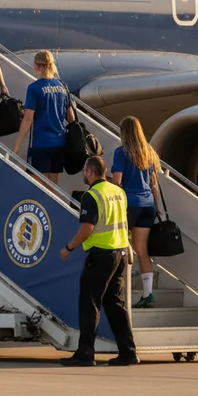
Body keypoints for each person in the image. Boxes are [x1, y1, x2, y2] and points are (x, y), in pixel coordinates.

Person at [59, 156, 138, 366]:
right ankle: (128, 352)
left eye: (84, 171)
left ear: (90, 172)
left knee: (90, 303)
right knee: (114, 304)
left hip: (102, 255)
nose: (83, 175)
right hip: (120, 252)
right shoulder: (118, 192)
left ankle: (85, 353)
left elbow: (88, 227)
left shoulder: (92, 195)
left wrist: (69, 247)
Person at [112, 116, 162, 308]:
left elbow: (117, 182)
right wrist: (157, 207)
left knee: (120, 246)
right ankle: (148, 294)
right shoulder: (149, 153)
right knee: (142, 251)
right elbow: (154, 184)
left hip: (129, 203)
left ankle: (120, 289)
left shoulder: (121, 152)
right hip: (147, 204)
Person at [12, 50, 74, 184]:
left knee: (37, 184)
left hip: (41, 142)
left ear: (38, 66)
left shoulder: (34, 88)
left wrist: (17, 145)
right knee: (53, 183)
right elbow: (71, 117)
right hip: (59, 142)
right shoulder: (62, 86)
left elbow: (28, 119)